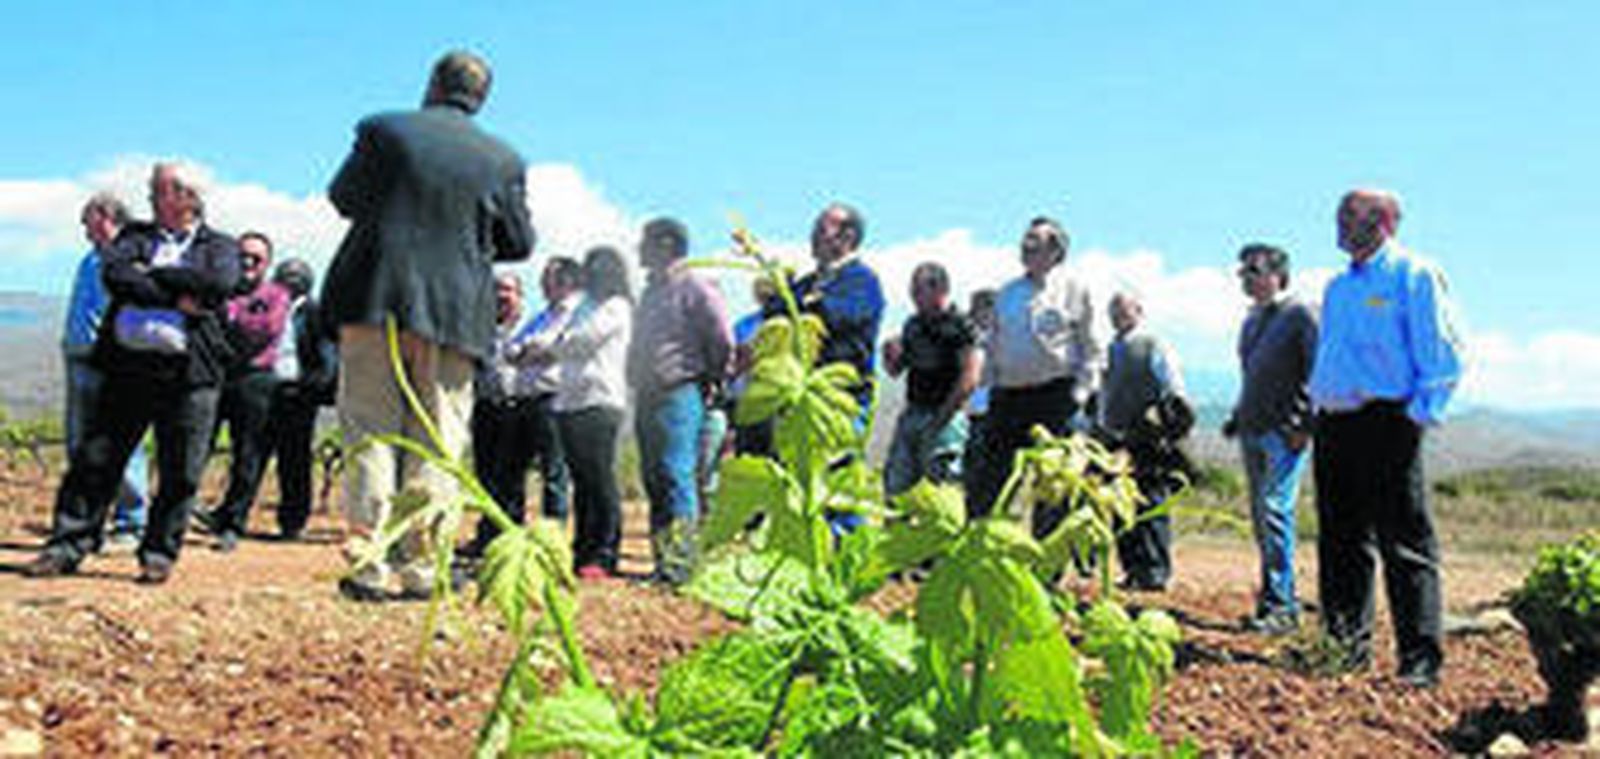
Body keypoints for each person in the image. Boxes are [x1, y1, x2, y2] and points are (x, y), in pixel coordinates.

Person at [321, 50, 535, 601]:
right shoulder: (503, 160)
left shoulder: (383, 131)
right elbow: (519, 242)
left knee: (369, 429)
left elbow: (343, 197)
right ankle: (422, 570)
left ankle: (367, 565)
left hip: (375, 299)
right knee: (439, 442)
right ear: (481, 98)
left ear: (433, 84)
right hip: (456, 314)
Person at [24, 162, 241, 584]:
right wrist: (179, 295)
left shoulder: (221, 245)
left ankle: (158, 553)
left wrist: (153, 278)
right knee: (96, 459)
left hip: (191, 374)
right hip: (126, 367)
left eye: (159, 191)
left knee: (182, 470)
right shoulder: (134, 236)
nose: (150, 199)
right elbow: (117, 275)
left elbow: (218, 284)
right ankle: (67, 545)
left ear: (187, 198)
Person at [1308, 189, 1463, 688]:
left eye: (1349, 215)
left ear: (1384, 221)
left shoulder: (1413, 274)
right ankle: (1343, 648)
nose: (1338, 223)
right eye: (1338, 214)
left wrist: (1415, 417)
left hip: (1387, 420)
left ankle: (1419, 660)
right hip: (1334, 423)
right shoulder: (1337, 287)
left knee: (1405, 540)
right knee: (1340, 538)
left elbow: (1442, 353)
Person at [967, 216, 1099, 528]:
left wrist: (1081, 392)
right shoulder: (1007, 293)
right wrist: (982, 397)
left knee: (1052, 484)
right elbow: (993, 344)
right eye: (1024, 242)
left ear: (1056, 251)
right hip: (1008, 396)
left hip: (1055, 395)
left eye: (1035, 243)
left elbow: (1091, 347)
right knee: (989, 476)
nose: (1026, 248)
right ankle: (977, 546)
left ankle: (1046, 568)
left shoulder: (1074, 290)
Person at [627, 218, 733, 584]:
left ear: (666, 244)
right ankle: (663, 562)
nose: (639, 248)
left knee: (676, 475)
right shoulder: (650, 291)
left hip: (680, 391)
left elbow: (721, 338)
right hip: (647, 393)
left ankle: (680, 567)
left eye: (645, 241)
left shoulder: (695, 287)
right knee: (654, 477)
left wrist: (712, 377)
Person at [1223, 243, 1317, 635]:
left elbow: (1317, 370)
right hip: (1253, 428)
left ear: (1277, 274)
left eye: (1254, 269)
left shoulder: (1300, 315)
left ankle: (1283, 608)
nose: (1245, 276)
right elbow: (1254, 375)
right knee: (1263, 519)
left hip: (1284, 432)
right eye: (1243, 270)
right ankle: (1274, 600)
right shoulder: (1252, 321)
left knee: (1276, 511)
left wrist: (1305, 423)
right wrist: (1237, 415)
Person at [522, 247, 631, 579]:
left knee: (600, 479)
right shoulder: (584, 306)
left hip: (600, 401)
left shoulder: (617, 306)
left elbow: (581, 341)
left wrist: (547, 348)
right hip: (570, 401)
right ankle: (583, 549)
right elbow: (563, 339)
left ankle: (605, 551)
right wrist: (553, 346)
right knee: (581, 481)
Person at [461, 269, 569, 559]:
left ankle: (547, 545)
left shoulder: (534, 324)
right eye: (496, 289)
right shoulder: (478, 329)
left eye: (507, 290)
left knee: (545, 474)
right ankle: (494, 536)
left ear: (520, 296)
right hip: (486, 408)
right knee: (490, 478)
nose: (501, 296)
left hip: (523, 406)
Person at [61, 193, 149, 550]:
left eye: (88, 219)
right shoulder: (88, 260)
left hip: (111, 359)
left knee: (120, 441)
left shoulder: (127, 258)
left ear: (107, 218)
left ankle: (132, 521)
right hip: (78, 356)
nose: (84, 227)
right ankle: (87, 523)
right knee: (80, 444)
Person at [200, 231, 292, 551]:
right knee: (196, 448)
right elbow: (206, 328)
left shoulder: (278, 295)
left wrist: (228, 324)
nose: (248, 263)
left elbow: (264, 330)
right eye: (243, 256)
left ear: (267, 263)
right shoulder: (218, 289)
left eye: (256, 258)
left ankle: (233, 524)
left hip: (256, 381)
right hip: (216, 376)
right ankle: (182, 514)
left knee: (248, 456)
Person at [1097, 292, 1191, 592]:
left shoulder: (1153, 345)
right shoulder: (1110, 349)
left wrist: (1168, 428)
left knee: (1151, 504)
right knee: (1119, 506)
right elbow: (1103, 392)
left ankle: (1155, 572)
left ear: (1139, 311)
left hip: (1148, 440)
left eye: (1124, 309)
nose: (1118, 315)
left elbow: (1174, 388)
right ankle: (1133, 569)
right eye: (1113, 310)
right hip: (1114, 436)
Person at [881, 262, 980, 497]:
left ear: (939, 290)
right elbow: (896, 370)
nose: (913, 296)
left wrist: (941, 419)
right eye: (912, 290)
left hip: (946, 416)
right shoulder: (913, 325)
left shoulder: (960, 325)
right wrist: (889, 354)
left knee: (942, 487)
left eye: (918, 290)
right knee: (897, 485)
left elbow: (970, 376)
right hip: (913, 411)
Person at [264, 258, 338, 540]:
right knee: (251, 454)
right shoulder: (266, 308)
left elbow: (327, 357)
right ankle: (233, 515)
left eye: (297, 276)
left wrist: (312, 386)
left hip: (298, 393)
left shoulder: (316, 313)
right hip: (264, 388)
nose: (290, 281)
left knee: (294, 459)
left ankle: (292, 521)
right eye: (286, 276)